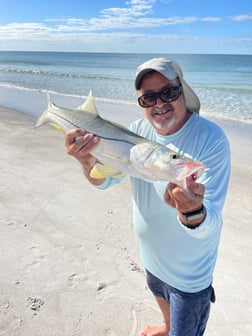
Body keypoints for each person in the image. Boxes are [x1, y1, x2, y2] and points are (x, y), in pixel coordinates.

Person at [64, 58, 231, 336]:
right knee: (159, 294)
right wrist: (85, 162)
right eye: (149, 98)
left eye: (169, 93)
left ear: (183, 91)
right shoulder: (137, 131)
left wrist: (191, 211)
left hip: (188, 276)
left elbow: (209, 224)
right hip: (151, 258)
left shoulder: (210, 139)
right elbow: (104, 182)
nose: (159, 104)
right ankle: (166, 325)